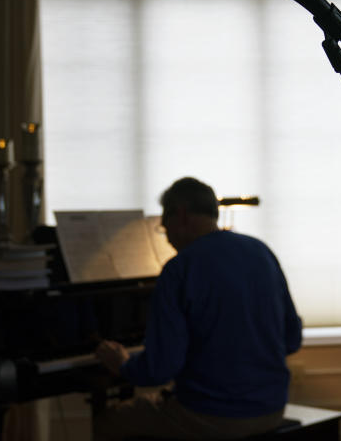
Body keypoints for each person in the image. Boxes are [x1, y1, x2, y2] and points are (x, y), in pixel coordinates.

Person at [94, 177, 303, 440]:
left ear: (180, 214)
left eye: (164, 225)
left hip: (212, 417)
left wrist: (123, 364)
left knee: (109, 422)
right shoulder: (261, 252)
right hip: (272, 408)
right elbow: (292, 340)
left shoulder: (179, 269)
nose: (167, 235)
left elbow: (159, 369)